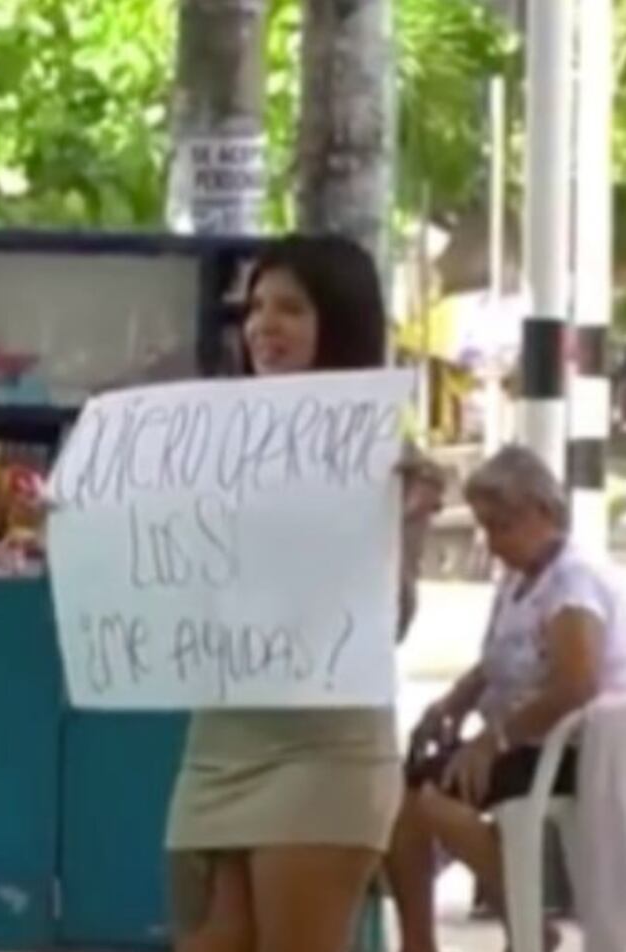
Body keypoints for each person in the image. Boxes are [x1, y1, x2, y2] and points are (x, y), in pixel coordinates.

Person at [166, 234, 444, 952]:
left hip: (326, 751)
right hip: (219, 746)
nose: (264, 324)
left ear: (340, 323)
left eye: (290, 307)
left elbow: (391, 623)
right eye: (257, 306)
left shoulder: (381, 457)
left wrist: (404, 529)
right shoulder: (211, 441)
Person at [386, 445, 626, 952]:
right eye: (485, 527)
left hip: (567, 749)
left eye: (502, 526)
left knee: (433, 803)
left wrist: (493, 740)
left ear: (541, 512)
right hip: (521, 740)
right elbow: (496, 661)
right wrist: (451, 703)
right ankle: (418, 941)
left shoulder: (573, 580)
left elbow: (574, 683)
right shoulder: (520, 577)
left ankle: (525, 918)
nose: (492, 543)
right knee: (401, 799)